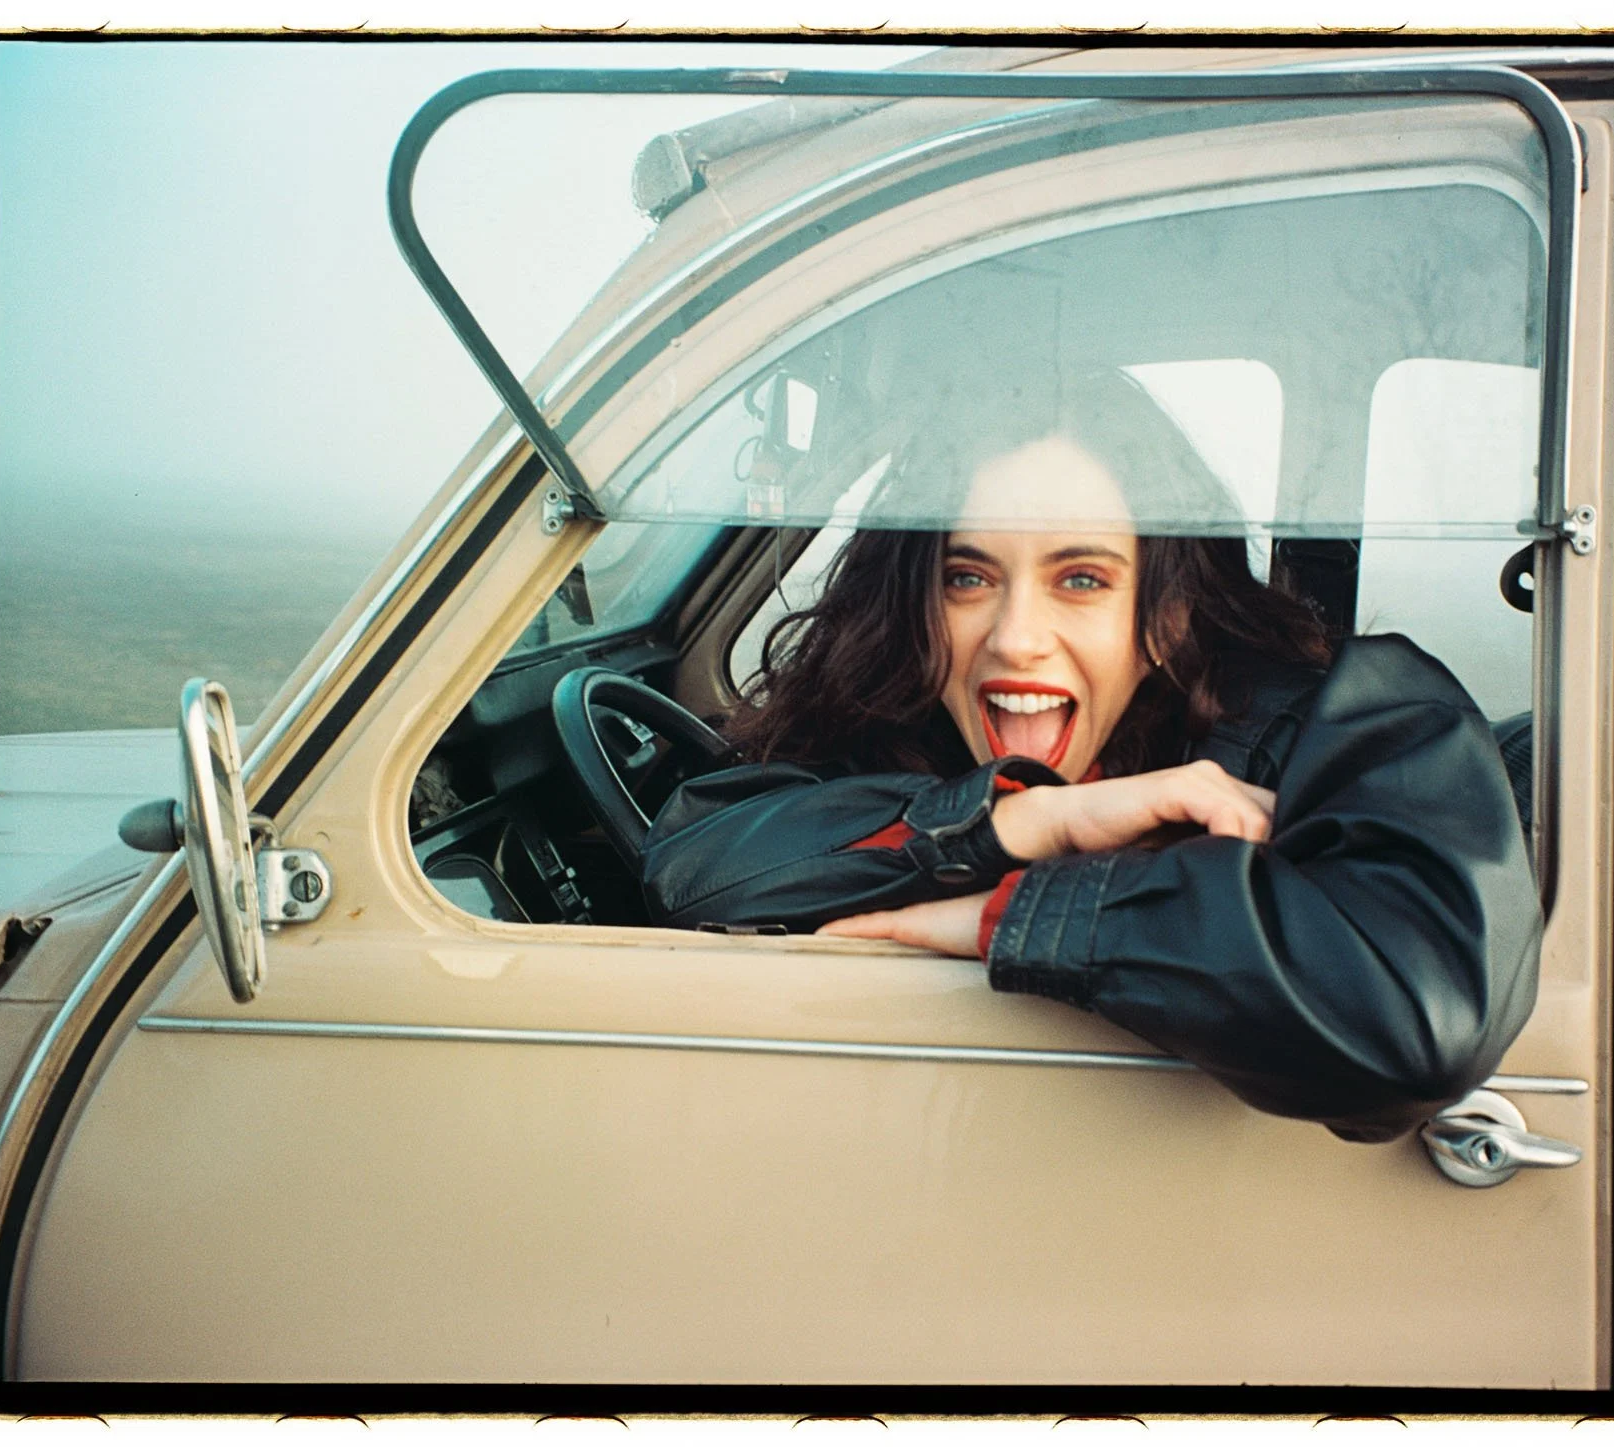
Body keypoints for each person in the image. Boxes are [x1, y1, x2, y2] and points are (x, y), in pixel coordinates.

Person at [639, 368, 1541, 1142]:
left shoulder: (1327, 729)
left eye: (1081, 579)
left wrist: (1017, 913)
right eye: (968, 578)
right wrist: (1030, 819)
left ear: (1166, 617)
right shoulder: (901, 725)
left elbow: (1416, 1014)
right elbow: (694, 876)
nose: (1015, 637)